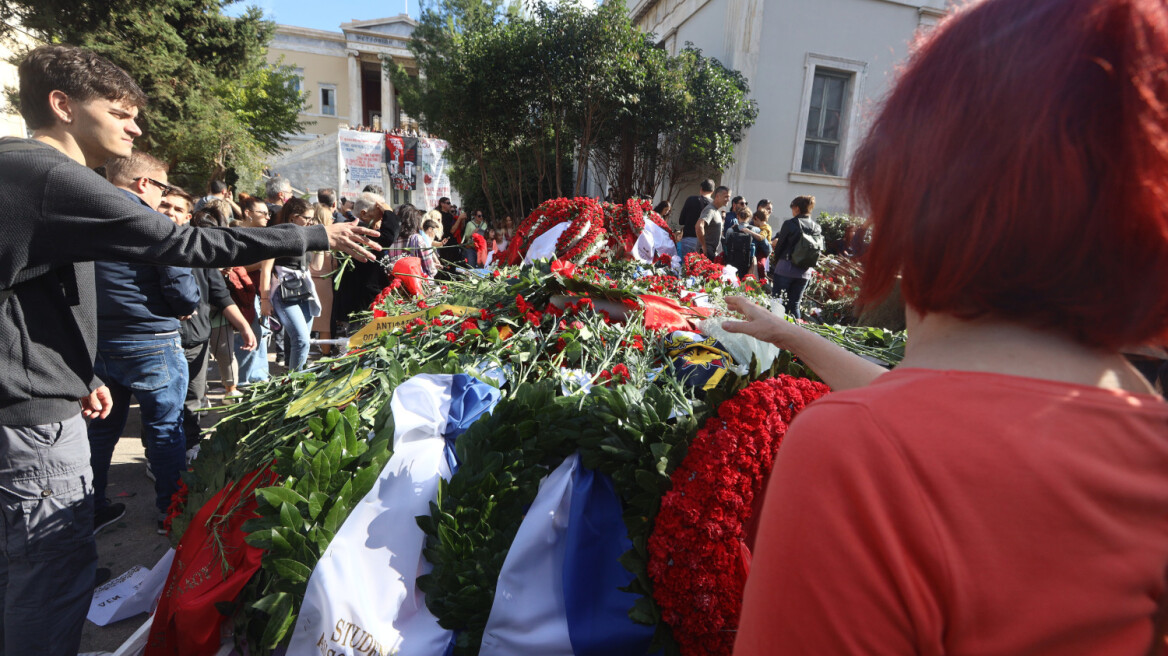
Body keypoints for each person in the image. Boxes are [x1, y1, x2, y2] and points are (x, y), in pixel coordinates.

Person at [727, 1, 1168, 653]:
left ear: (927, 187)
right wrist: (790, 334)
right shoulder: (1143, 432)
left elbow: (923, 431)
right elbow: (959, 415)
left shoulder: (854, 456)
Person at [0, 44, 379, 655]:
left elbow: (30, 301)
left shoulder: (17, 170)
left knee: (21, 571)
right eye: (120, 112)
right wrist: (311, 233)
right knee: (49, 578)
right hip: (30, 425)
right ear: (62, 105)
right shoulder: (50, 175)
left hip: (39, 395)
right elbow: (181, 245)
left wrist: (72, 372)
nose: (135, 126)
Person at [87, 151, 201, 538]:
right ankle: (170, 513)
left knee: (101, 431)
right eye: (163, 188)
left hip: (100, 342)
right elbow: (183, 291)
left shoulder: (84, 221)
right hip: (152, 340)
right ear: (143, 184)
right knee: (165, 430)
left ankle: (92, 508)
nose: (164, 199)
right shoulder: (152, 223)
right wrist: (183, 307)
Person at [165, 190, 256, 457]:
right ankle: (160, 456)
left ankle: (191, 445)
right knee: (164, 403)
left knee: (194, 397)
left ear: (188, 217)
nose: (170, 212)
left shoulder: (197, 250)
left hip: (197, 340)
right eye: (164, 205)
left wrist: (243, 326)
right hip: (161, 340)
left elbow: (219, 293)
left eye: (178, 209)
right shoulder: (144, 248)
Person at [260, 198, 326, 371]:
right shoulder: (277, 235)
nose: (311, 222)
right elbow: (266, 269)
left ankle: (297, 378)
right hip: (284, 293)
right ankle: (294, 383)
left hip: (305, 292)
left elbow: (316, 267)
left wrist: (321, 242)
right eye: (307, 218)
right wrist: (264, 300)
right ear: (292, 217)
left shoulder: (307, 236)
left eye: (312, 219)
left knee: (303, 343)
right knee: (301, 340)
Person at [769, 195, 820, 319]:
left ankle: (774, 333)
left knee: (778, 303)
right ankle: (796, 333)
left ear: (797, 208)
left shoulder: (790, 224)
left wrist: (775, 262)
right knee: (795, 305)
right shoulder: (816, 227)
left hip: (785, 268)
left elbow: (780, 246)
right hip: (805, 272)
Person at [675, 179, 713, 259]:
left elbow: (681, 221)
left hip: (688, 239)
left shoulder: (691, 200)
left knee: (685, 268)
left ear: (701, 189)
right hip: (704, 243)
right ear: (712, 191)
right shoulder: (713, 206)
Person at [696, 185, 730, 260]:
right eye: (726, 196)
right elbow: (699, 226)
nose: (728, 199)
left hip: (710, 252)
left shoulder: (716, 210)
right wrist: (704, 247)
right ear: (718, 196)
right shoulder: (710, 210)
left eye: (729, 197)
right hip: (705, 254)